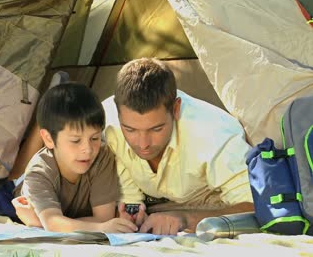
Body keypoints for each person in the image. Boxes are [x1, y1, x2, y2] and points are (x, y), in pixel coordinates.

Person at [102, 58, 254, 235]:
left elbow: (256, 206)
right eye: (130, 129)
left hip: (212, 201)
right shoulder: (105, 125)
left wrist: (186, 219)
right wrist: (131, 212)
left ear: (176, 109)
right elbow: (127, 189)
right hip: (154, 206)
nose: (143, 144)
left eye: (156, 128)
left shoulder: (214, 135)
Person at [11, 82, 137, 233]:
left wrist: (46, 223)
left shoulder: (102, 156)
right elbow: (53, 223)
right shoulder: (38, 173)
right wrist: (100, 228)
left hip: (56, 212)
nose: (88, 149)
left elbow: (103, 217)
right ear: (49, 138)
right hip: (24, 189)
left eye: (95, 138)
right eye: (75, 141)